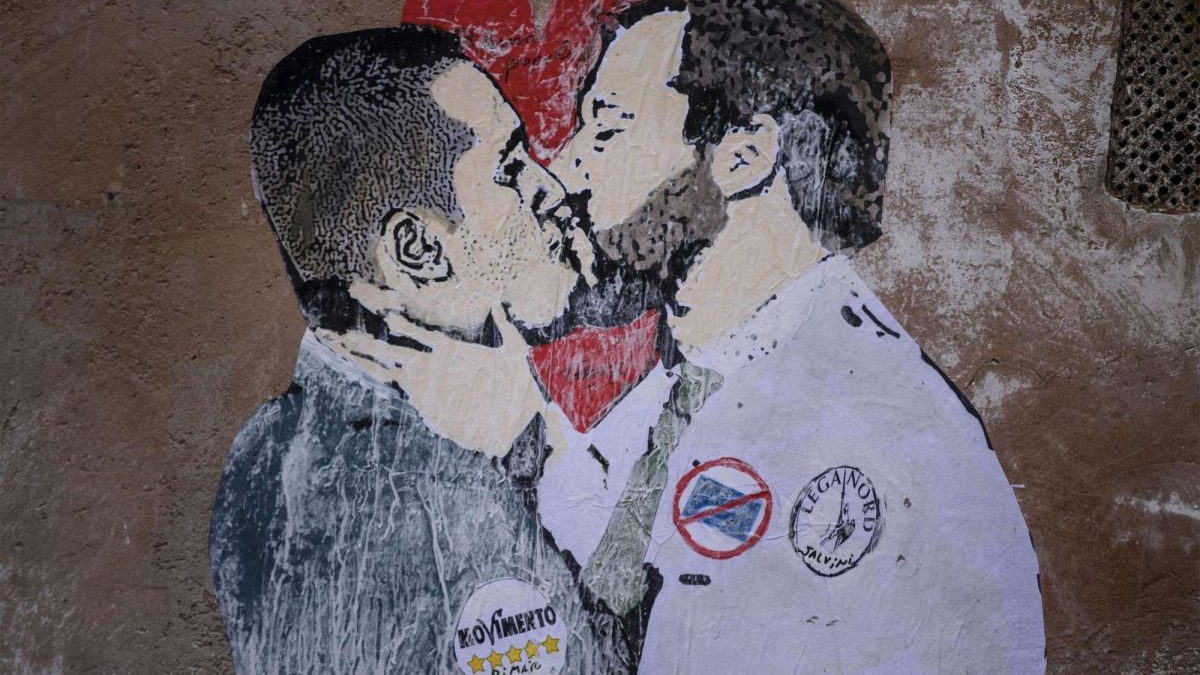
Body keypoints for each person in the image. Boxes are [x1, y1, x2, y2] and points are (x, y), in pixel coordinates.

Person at [536, 1, 1047, 673]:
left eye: (607, 130)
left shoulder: (882, 433)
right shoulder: (675, 394)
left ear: (744, 157)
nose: (566, 172)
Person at [209, 26, 644, 675]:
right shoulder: (457, 503)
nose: (552, 190)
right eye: (509, 168)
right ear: (418, 251)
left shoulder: (261, 450)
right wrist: (541, 454)